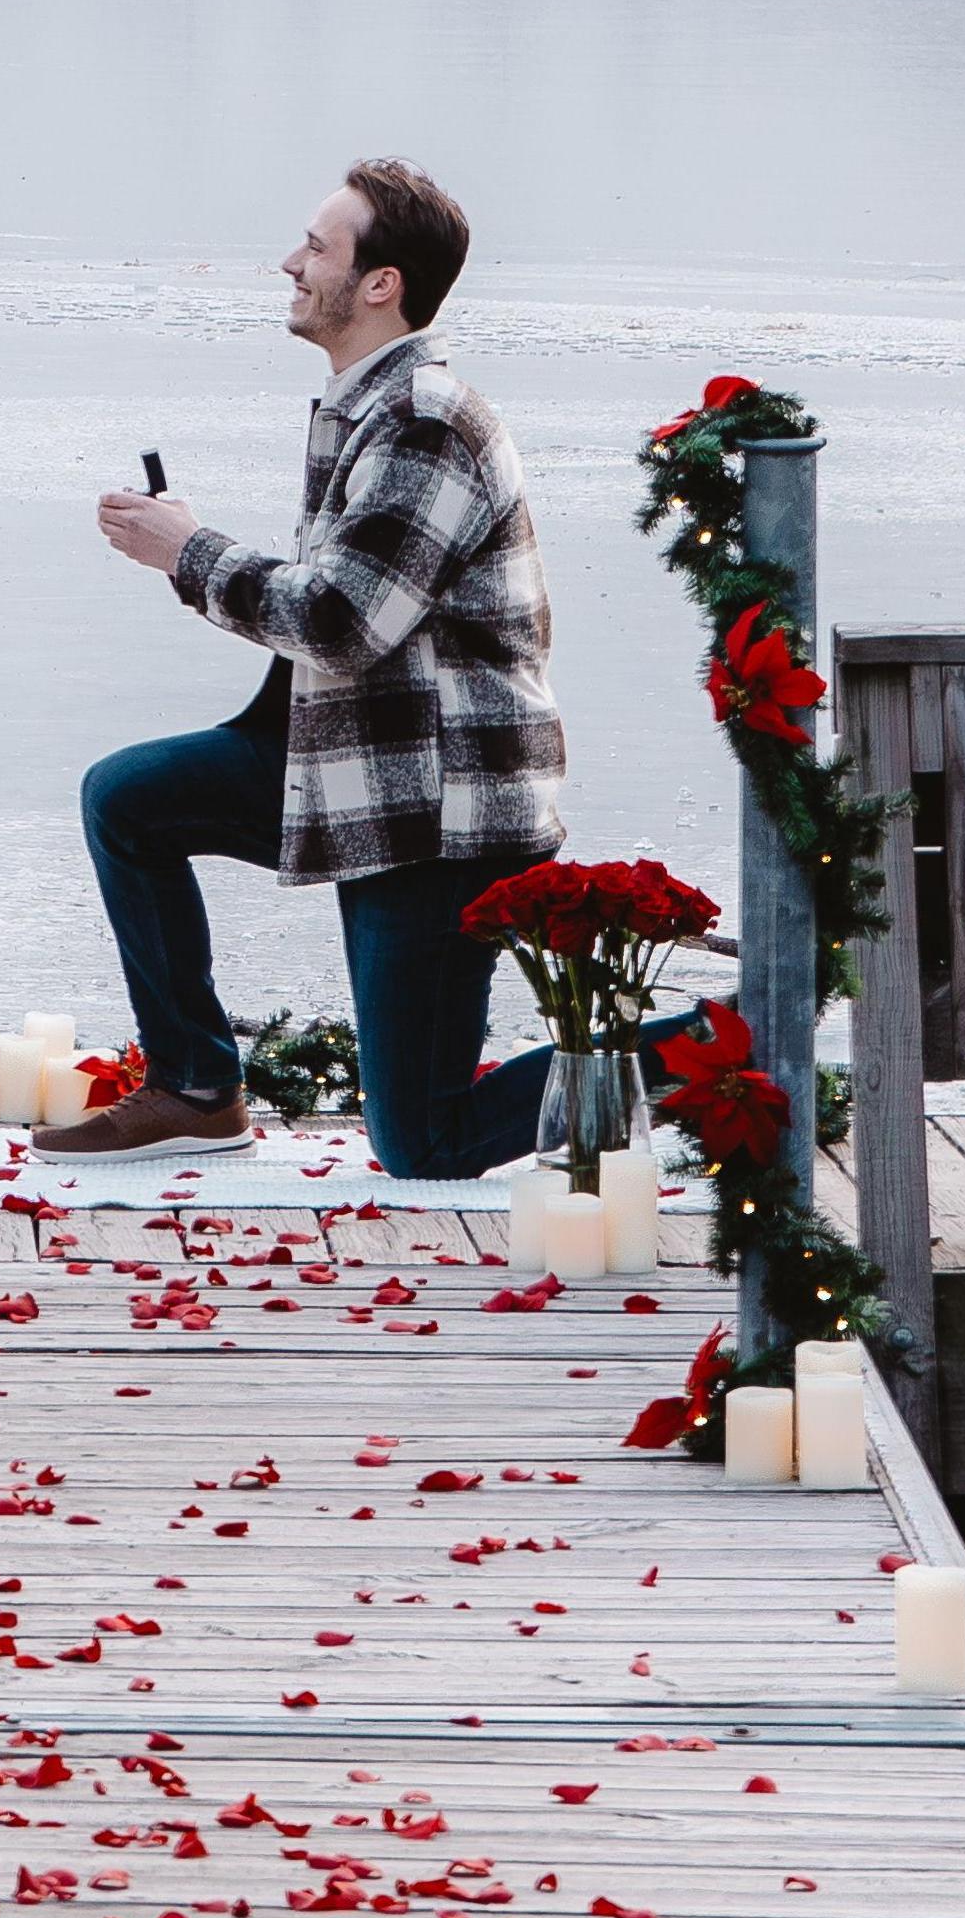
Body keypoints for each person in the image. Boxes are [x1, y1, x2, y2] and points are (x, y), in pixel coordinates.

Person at [46, 157, 571, 1177]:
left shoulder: (425, 419)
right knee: (128, 800)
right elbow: (347, 611)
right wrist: (190, 553)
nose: (291, 262)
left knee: (427, 1140)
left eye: (317, 247)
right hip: (343, 760)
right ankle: (198, 1087)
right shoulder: (364, 405)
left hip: (436, 811)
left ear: (380, 284)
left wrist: (187, 551)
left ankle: (711, 1055)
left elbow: (336, 618)